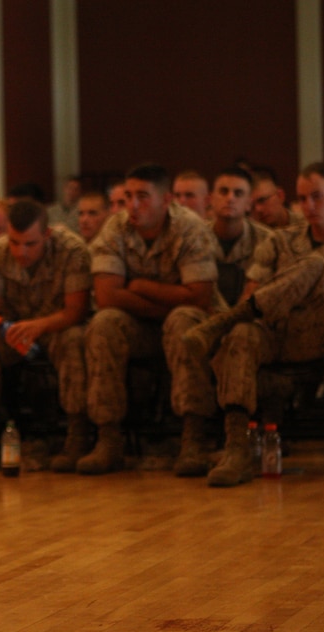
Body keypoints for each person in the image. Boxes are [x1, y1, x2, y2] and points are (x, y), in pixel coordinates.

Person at [183, 161, 324, 487]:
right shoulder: (278, 242)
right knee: (243, 332)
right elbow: (251, 294)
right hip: (277, 335)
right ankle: (237, 451)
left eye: (317, 197)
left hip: (323, 336)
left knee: (314, 266)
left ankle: (222, 323)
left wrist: (277, 306)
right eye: (303, 199)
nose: (309, 206)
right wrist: (272, 311)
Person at [83, 163, 219, 476]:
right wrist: (171, 297)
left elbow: (200, 297)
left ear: (166, 199)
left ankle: (193, 440)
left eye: (143, 196)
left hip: (188, 322)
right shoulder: (114, 228)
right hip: (140, 327)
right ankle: (109, 440)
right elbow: (106, 296)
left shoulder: (190, 228)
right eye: (128, 195)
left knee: (184, 320)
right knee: (103, 324)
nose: (132, 205)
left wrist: (142, 287)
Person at [0, 199, 91, 472]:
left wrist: (40, 325)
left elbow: (75, 311)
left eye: (30, 244)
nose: (21, 252)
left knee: (74, 340)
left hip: (58, 325)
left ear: (47, 234)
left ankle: (77, 436)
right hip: (14, 330)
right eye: (14, 242)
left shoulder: (72, 250)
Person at [209, 166, 276, 274]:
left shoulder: (267, 241)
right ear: (211, 199)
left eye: (238, 193)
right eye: (223, 191)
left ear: (249, 204)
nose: (230, 198)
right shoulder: (195, 237)